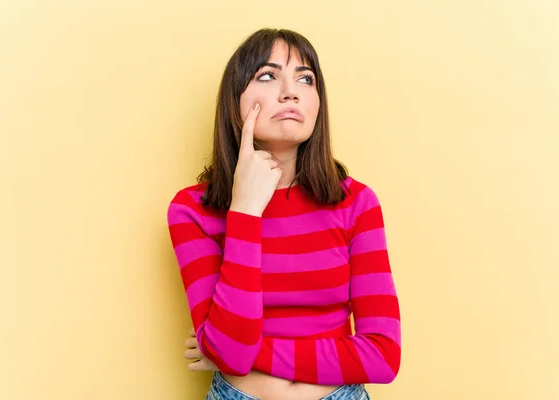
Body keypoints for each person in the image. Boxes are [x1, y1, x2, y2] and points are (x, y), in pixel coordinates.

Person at [167, 28, 401, 400]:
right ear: (235, 102)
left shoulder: (356, 203)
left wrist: (237, 353)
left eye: (305, 78)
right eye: (267, 75)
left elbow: (382, 357)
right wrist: (244, 210)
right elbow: (228, 350)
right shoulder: (192, 211)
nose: (290, 90)